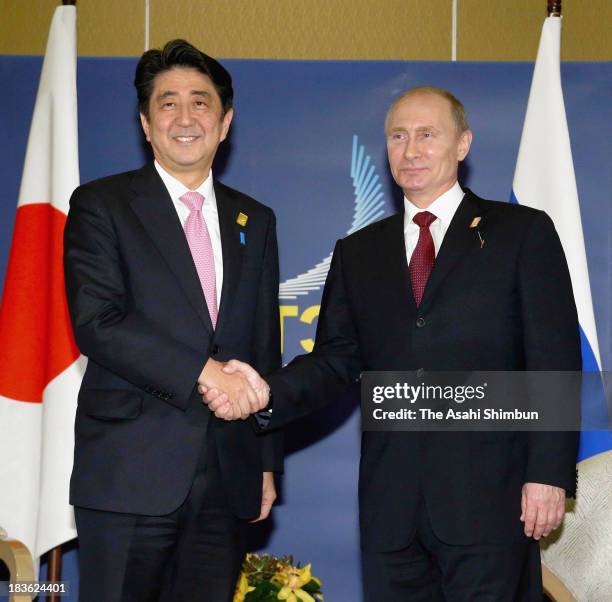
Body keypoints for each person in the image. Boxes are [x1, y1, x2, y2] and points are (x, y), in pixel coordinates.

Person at [204, 87, 581, 601]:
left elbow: (554, 360)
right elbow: (337, 360)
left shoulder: (521, 232)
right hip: (391, 509)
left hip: (492, 501)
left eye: (429, 134)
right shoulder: (359, 252)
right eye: (399, 136)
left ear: (463, 144)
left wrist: (547, 474)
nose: (412, 149)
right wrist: (267, 392)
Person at [63, 39, 281, 602]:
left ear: (225, 121)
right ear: (145, 121)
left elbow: (262, 345)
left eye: (201, 102)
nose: (185, 118)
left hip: (227, 474)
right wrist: (205, 372)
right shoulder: (100, 205)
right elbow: (98, 322)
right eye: (167, 103)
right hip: (128, 473)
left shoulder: (254, 220)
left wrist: (263, 460)